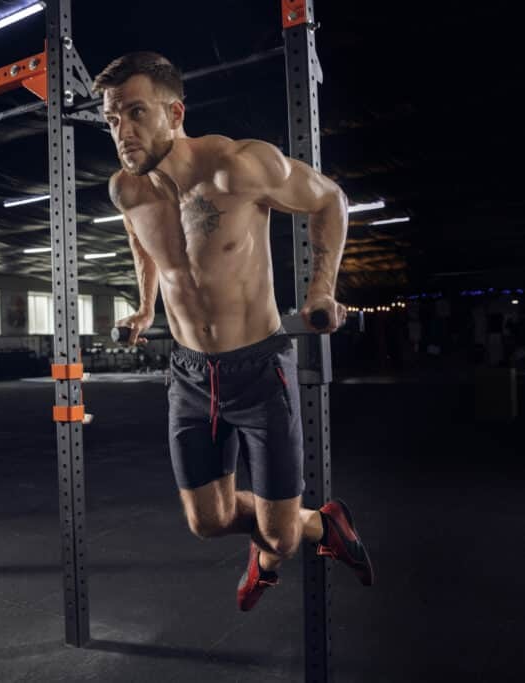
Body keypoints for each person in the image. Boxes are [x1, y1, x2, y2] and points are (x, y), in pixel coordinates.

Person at [94, 52, 374, 611]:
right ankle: (311, 526)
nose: (122, 131)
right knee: (208, 522)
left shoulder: (237, 167)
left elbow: (329, 200)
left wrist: (320, 290)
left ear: (175, 113)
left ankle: (308, 530)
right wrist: (145, 308)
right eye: (112, 120)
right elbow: (142, 245)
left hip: (259, 368)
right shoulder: (127, 189)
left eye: (135, 113)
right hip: (190, 373)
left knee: (283, 538)